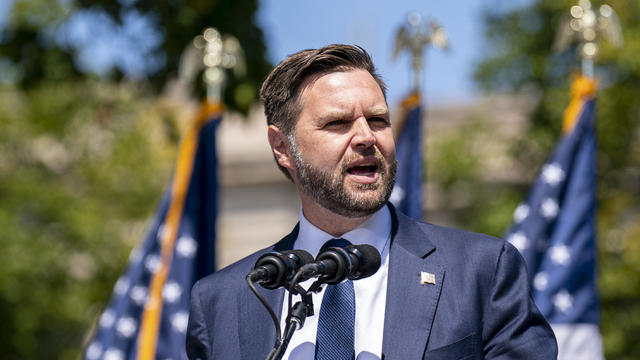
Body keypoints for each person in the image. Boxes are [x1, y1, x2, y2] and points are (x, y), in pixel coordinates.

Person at [186, 44, 557, 359]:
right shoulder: (223, 299)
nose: (366, 137)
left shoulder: (482, 271)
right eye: (338, 123)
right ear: (282, 147)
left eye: (378, 120)